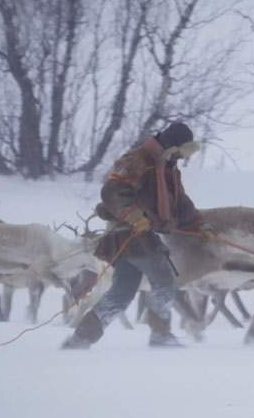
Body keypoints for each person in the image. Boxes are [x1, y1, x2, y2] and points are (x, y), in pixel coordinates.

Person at [62, 122, 212, 349]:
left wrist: (199, 225)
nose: (182, 157)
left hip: (141, 235)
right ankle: (160, 335)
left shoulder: (168, 168)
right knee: (165, 282)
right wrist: (134, 216)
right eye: (181, 151)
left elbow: (180, 202)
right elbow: (112, 192)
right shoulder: (136, 160)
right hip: (129, 233)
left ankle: (81, 338)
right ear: (172, 146)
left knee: (122, 292)